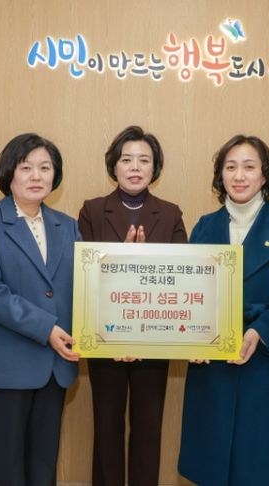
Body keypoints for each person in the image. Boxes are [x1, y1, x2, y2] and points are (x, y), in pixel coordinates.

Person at [178, 135, 269, 485]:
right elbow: (186, 291)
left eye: (249, 167)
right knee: (211, 464)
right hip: (211, 365)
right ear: (220, 175)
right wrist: (190, 338)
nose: (239, 176)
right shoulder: (204, 226)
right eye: (230, 167)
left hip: (264, 361)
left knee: (260, 465)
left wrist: (260, 330)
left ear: (265, 174)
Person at [0, 133, 80, 485]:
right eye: (26, 167)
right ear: (8, 172)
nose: (36, 176)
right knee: (4, 465)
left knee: (43, 462)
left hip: (56, 365)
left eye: (45, 168)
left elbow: (86, 285)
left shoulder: (68, 226)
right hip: (7, 364)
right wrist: (46, 328)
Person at [78, 125, 187, 486]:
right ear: (114, 166)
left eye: (144, 160)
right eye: (126, 159)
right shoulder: (92, 211)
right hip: (105, 338)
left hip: (154, 339)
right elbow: (83, 277)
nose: (135, 167)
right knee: (106, 427)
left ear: (156, 168)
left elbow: (182, 278)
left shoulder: (170, 214)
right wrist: (120, 259)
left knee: (148, 429)